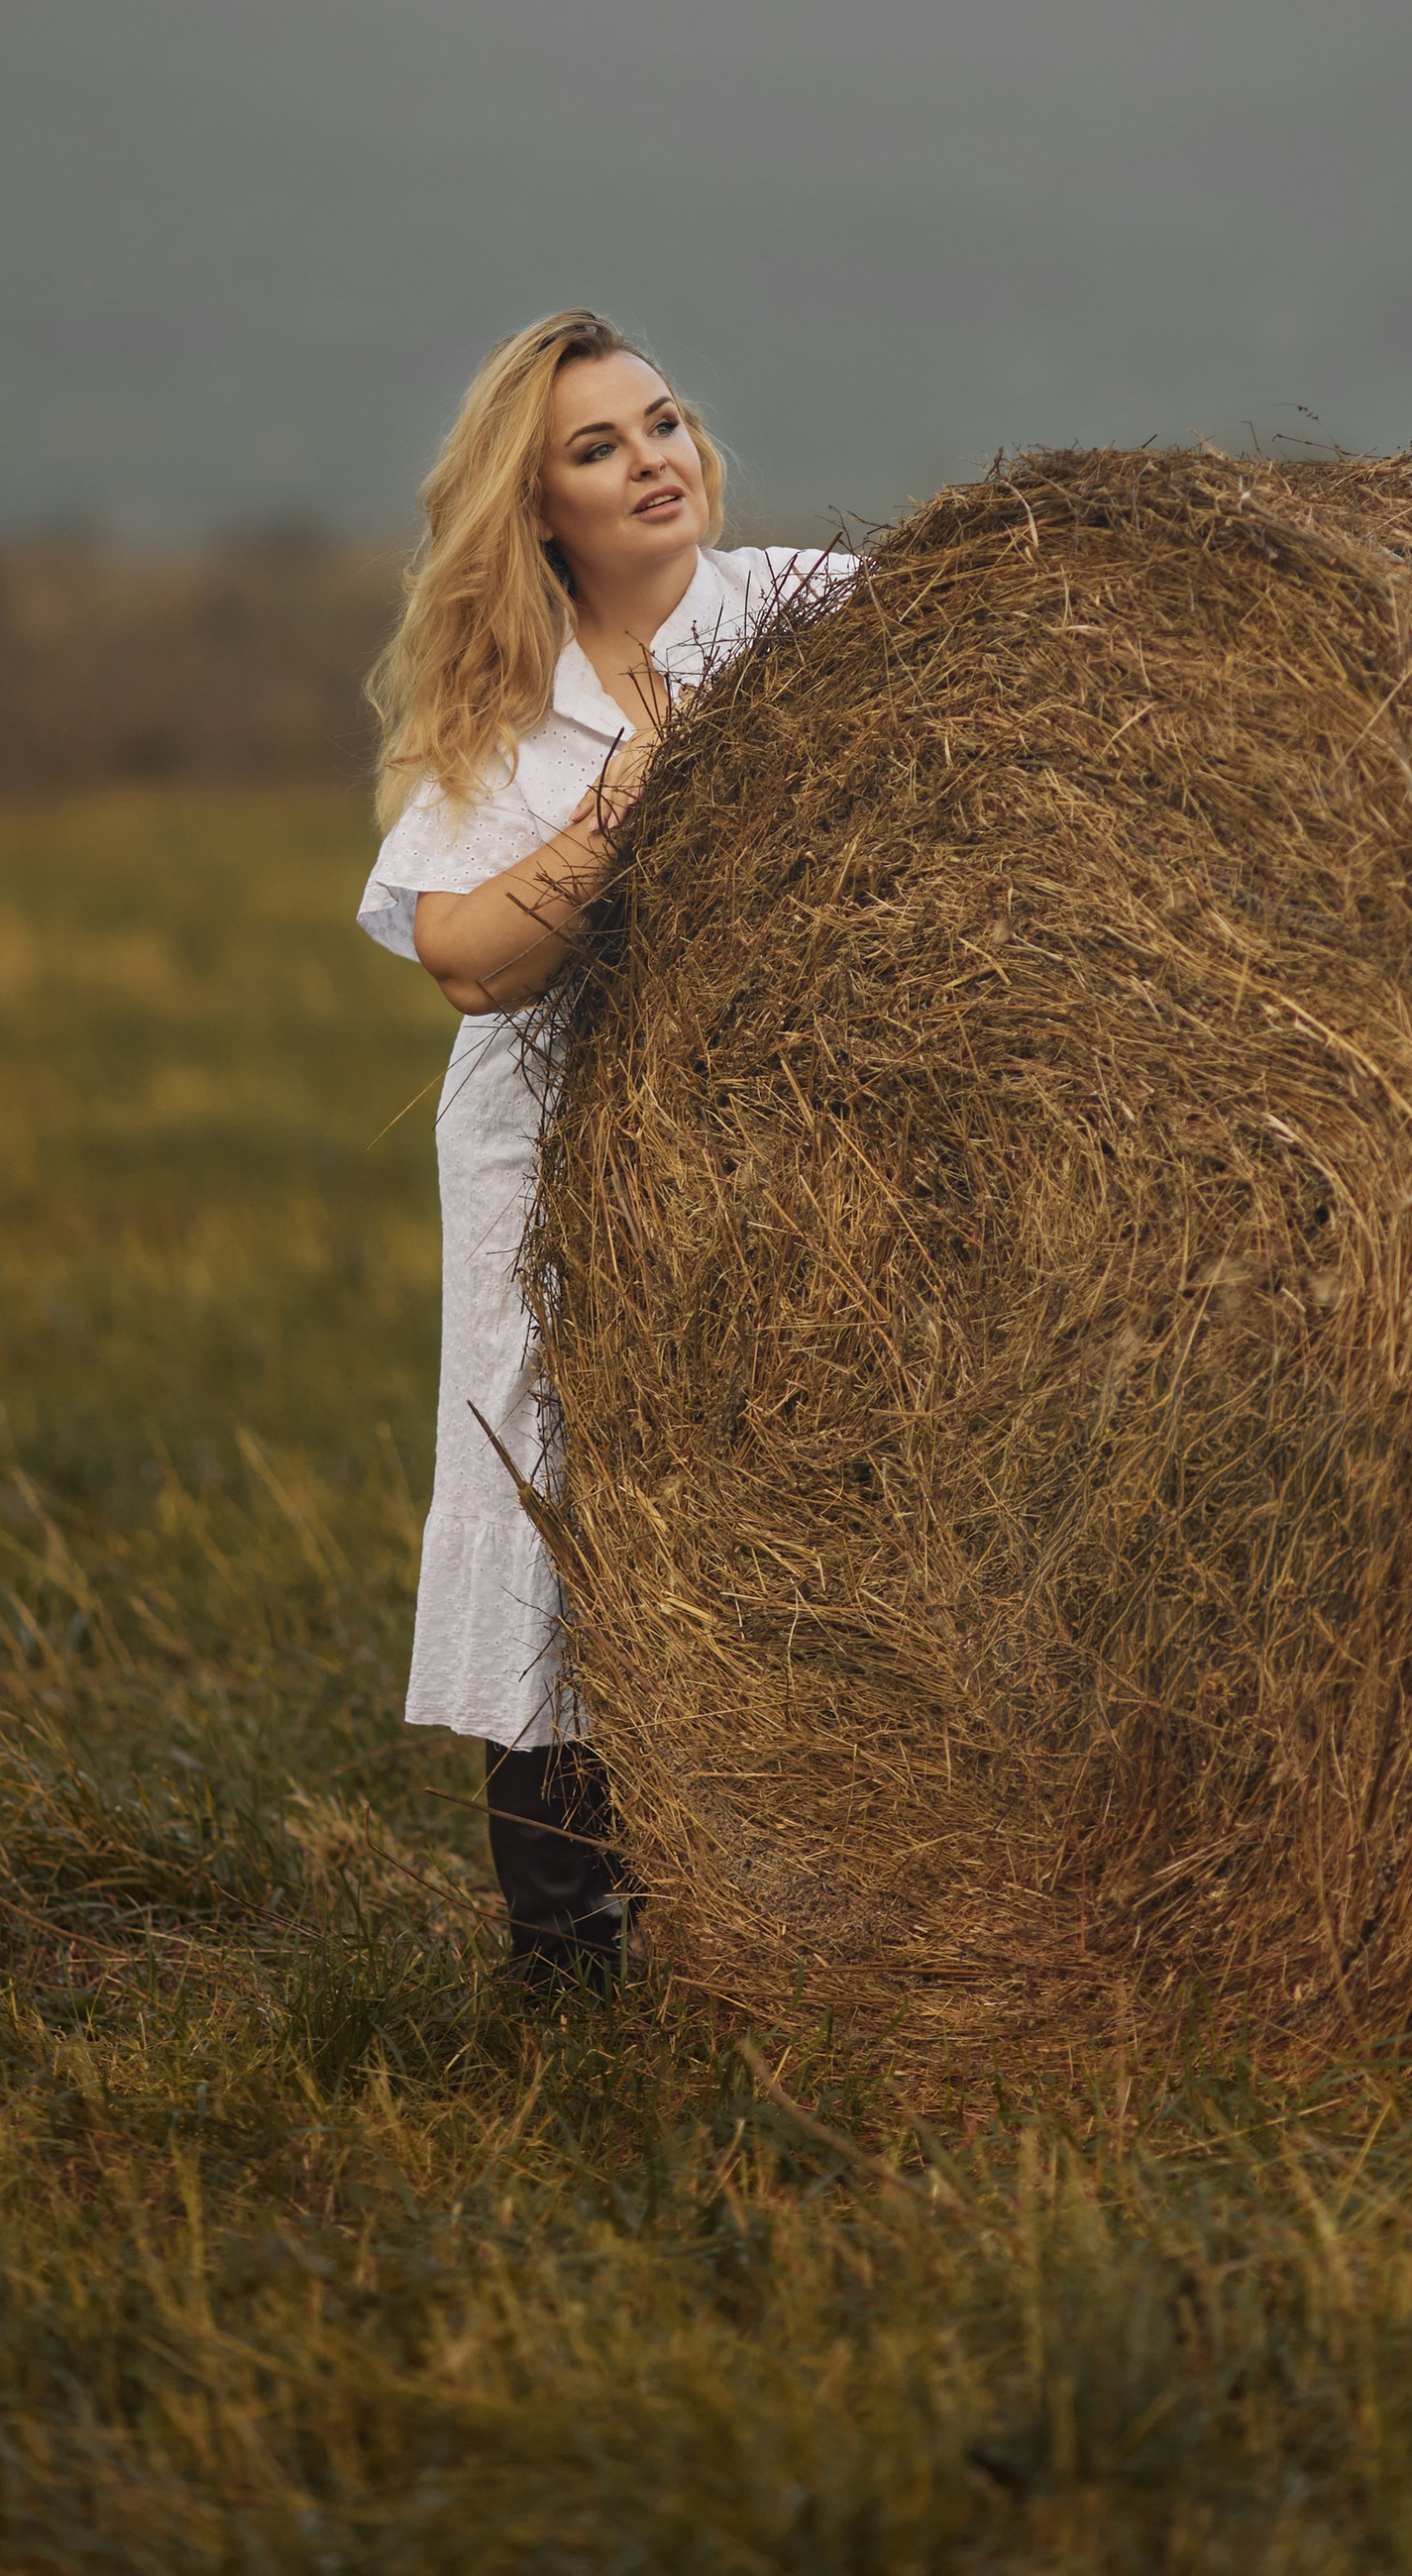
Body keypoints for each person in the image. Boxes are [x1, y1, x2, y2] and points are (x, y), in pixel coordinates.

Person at [357, 309, 858, 1982]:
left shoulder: (818, 612)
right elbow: (470, 959)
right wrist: (640, 776)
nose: (654, 459)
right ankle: (568, 1952)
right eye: (598, 447)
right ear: (540, 511)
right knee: (551, 1507)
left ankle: (805, 1898)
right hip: (563, 1163)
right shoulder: (509, 712)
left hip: (794, 1130)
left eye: (662, 422)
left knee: (795, 1473)